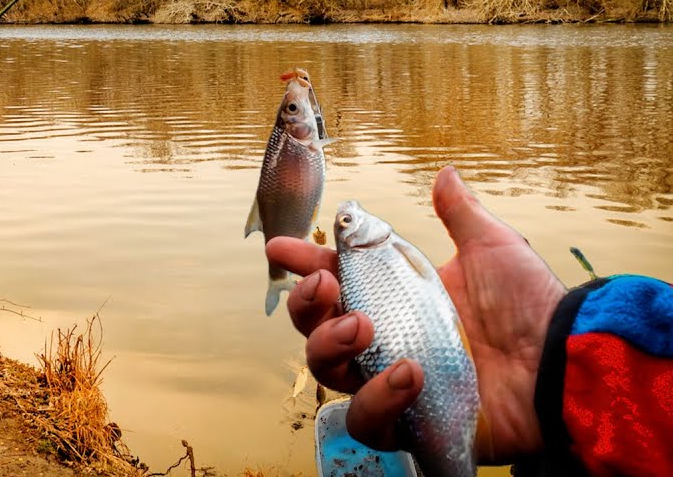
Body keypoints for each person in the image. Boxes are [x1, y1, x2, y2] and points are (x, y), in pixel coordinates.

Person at [265, 165, 673, 476]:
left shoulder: (371, 253)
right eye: (346, 223)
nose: (348, 217)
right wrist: (558, 369)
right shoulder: (377, 254)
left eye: (345, 222)